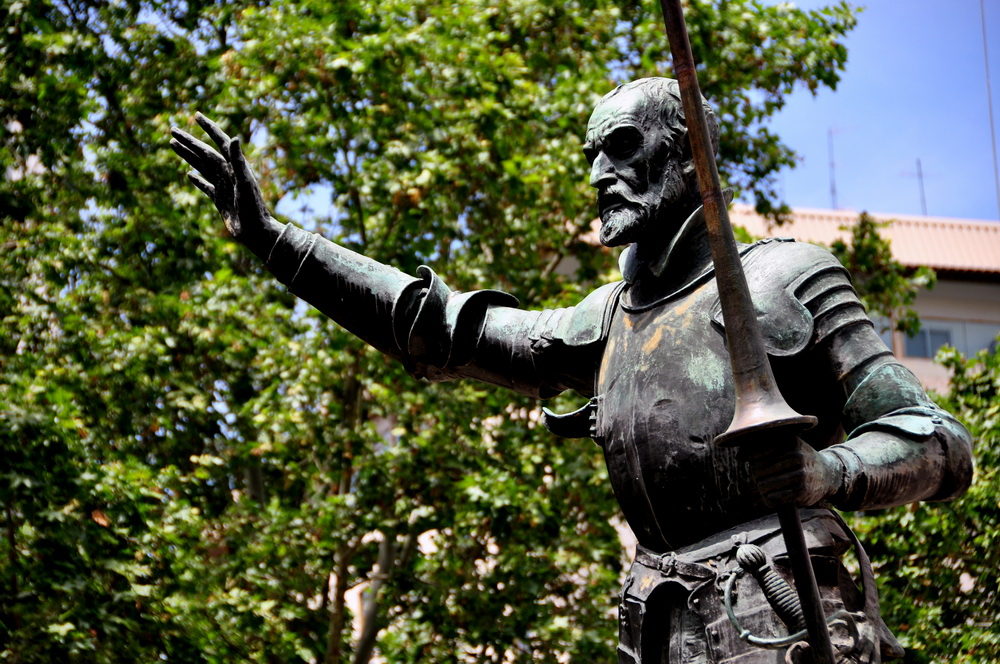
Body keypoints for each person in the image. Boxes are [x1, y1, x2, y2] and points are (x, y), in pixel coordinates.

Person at [171, 77, 972, 663]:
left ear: (687, 153)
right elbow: (440, 327)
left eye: (621, 146)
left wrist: (830, 471)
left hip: (784, 616)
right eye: (590, 154)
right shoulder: (606, 317)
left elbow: (939, 442)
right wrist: (278, 243)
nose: (596, 174)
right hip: (657, 630)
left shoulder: (787, 277)